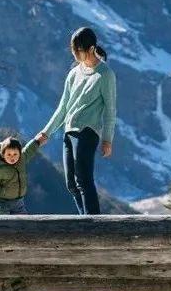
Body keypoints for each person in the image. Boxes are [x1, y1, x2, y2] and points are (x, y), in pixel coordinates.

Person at [35, 26, 117, 216]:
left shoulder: (105, 74)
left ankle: (94, 227)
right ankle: (86, 222)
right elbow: (63, 107)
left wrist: (107, 139)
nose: (74, 54)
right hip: (69, 131)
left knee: (84, 180)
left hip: (88, 132)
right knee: (71, 184)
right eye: (73, 50)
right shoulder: (74, 73)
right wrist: (46, 132)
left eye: (77, 50)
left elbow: (110, 110)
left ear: (90, 49)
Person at [0, 135, 46, 215]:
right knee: (3, 224)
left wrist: (37, 141)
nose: (12, 157)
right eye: (9, 154)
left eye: (15, 154)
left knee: (23, 224)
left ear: (19, 153)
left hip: (19, 202)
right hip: (3, 203)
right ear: (3, 155)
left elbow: (29, 150)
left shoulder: (21, 159)